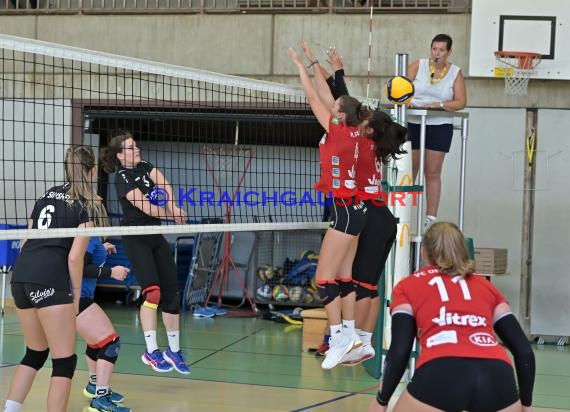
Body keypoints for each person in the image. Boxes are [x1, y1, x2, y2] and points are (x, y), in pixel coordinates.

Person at [301, 42, 406, 365]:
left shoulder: (351, 137)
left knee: (350, 283)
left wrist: (313, 67)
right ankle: (360, 340)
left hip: (363, 212)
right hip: (376, 213)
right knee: (366, 285)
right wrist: (334, 68)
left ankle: (351, 339)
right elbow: (345, 102)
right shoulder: (371, 139)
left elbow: (336, 103)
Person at [369, 222, 535, 412]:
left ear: (424, 252)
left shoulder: (408, 286)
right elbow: (524, 351)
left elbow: (400, 350)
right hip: (496, 375)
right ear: (462, 250)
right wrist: (526, 404)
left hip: (441, 370)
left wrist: (381, 400)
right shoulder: (486, 286)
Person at [289, 44, 372, 370]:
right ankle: (350, 335)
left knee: (325, 280)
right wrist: (314, 63)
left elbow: (313, 96)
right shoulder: (359, 132)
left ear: (340, 114)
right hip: (358, 210)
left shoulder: (337, 132)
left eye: (335, 106)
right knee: (345, 276)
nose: (330, 103)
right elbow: (326, 95)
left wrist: (299, 65)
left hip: (345, 211)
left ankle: (338, 335)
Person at [4, 146, 104, 412]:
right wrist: (73, 294)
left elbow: (27, 238)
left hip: (22, 276)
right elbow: (75, 258)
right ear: (92, 171)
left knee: (35, 352)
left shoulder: (46, 195)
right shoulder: (89, 204)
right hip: (50, 279)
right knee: (64, 361)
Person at [100, 131, 190, 375]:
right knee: (153, 293)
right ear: (119, 155)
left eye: (136, 146)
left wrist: (173, 205)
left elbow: (163, 184)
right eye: (130, 148)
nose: (136, 150)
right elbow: (146, 207)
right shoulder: (122, 177)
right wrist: (173, 215)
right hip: (135, 236)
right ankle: (151, 351)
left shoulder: (145, 166)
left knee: (172, 293)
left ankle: (174, 350)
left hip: (154, 234)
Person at [407, 33, 467, 229]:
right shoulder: (418, 65)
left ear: (449, 52)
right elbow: (399, 90)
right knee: (410, 168)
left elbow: (460, 101)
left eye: (441, 50)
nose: (437, 53)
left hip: (440, 122)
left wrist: (439, 104)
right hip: (415, 121)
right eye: (434, 49)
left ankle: (430, 218)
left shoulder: (455, 72)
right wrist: (410, 102)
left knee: (432, 171)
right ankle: (404, 211)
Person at [77, 237, 132, 412]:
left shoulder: (87, 235)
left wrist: (100, 248)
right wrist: (112, 272)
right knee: (110, 342)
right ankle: (100, 398)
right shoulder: (88, 231)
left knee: (96, 342)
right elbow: (81, 267)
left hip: (75, 297)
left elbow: (80, 255)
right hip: (77, 298)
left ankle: (94, 386)